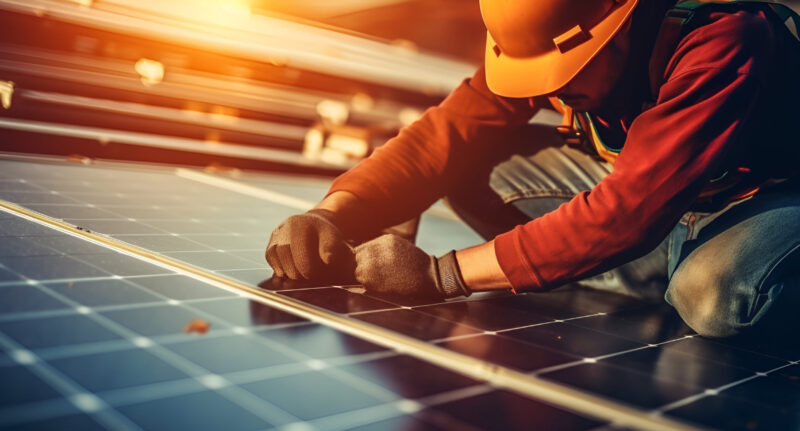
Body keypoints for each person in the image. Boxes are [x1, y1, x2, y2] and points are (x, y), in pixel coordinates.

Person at [266, 0, 800, 339]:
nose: (549, 90)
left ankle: (672, 269)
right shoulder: (556, 25)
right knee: (470, 169)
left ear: (619, 24)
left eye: (565, 73)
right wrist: (336, 214)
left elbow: (626, 213)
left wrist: (440, 275)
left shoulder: (723, 38)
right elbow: (444, 136)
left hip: (762, 201)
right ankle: (635, 261)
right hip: (660, 206)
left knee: (713, 298)